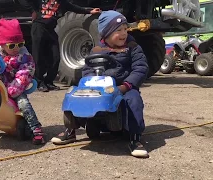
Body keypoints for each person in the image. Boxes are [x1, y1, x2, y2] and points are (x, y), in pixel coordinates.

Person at [51, 10, 149, 158]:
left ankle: (135, 137)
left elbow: (141, 68)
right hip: (100, 87)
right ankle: (71, 130)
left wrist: (127, 85)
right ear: (106, 34)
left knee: (133, 99)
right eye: (118, 30)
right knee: (78, 94)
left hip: (122, 86)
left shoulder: (132, 46)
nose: (124, 33)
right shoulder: (97, 49)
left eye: (125, 29)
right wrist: (90, 82)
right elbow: (88, 68)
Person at [25, 0, 101, 92]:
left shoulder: (61, 2)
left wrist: (89, 11)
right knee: (38, 57)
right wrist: (32, 11)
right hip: (38, 28)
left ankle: (49, 82)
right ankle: (39, 82)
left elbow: (74, 8)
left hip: (51, 30)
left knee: (55, 56)